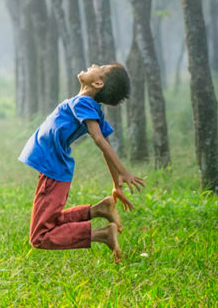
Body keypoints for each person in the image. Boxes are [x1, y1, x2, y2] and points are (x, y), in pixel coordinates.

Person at [18, 63, 145, 263]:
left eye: (100, 67)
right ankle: (98, 210)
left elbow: (100, 139)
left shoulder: (84, 103)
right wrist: (116, 184)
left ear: (97, 82)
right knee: (49, 221)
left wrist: (122, 172)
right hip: (52, 169)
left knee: (40, 236)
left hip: (53, 170)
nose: (94, 64)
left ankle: (102, 235)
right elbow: (105, 143)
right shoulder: (87, 105)